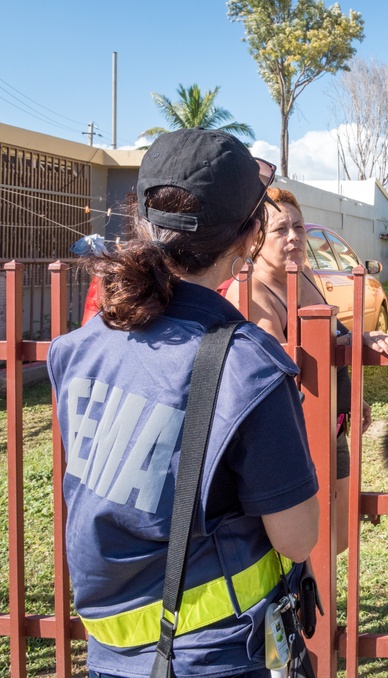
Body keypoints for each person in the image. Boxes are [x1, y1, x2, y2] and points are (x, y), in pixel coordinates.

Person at [47, 128, 319, 678]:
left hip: (110, 659)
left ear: (142, 219)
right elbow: (298, 538)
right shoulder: (248, 367)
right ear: (250, 236)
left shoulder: (77, 350)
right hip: (215, 657)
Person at [224, 186, 388, 554]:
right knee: (302, 544)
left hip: (331, 427)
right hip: (291, 437)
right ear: (254, 239)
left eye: (299, 228)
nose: (293, 238)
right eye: (280, 230)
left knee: (339, 534)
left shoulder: (303, 276)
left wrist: (356, 383)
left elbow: (329, 335)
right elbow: (271, 379)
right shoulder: (253, 295)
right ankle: (305, 608)